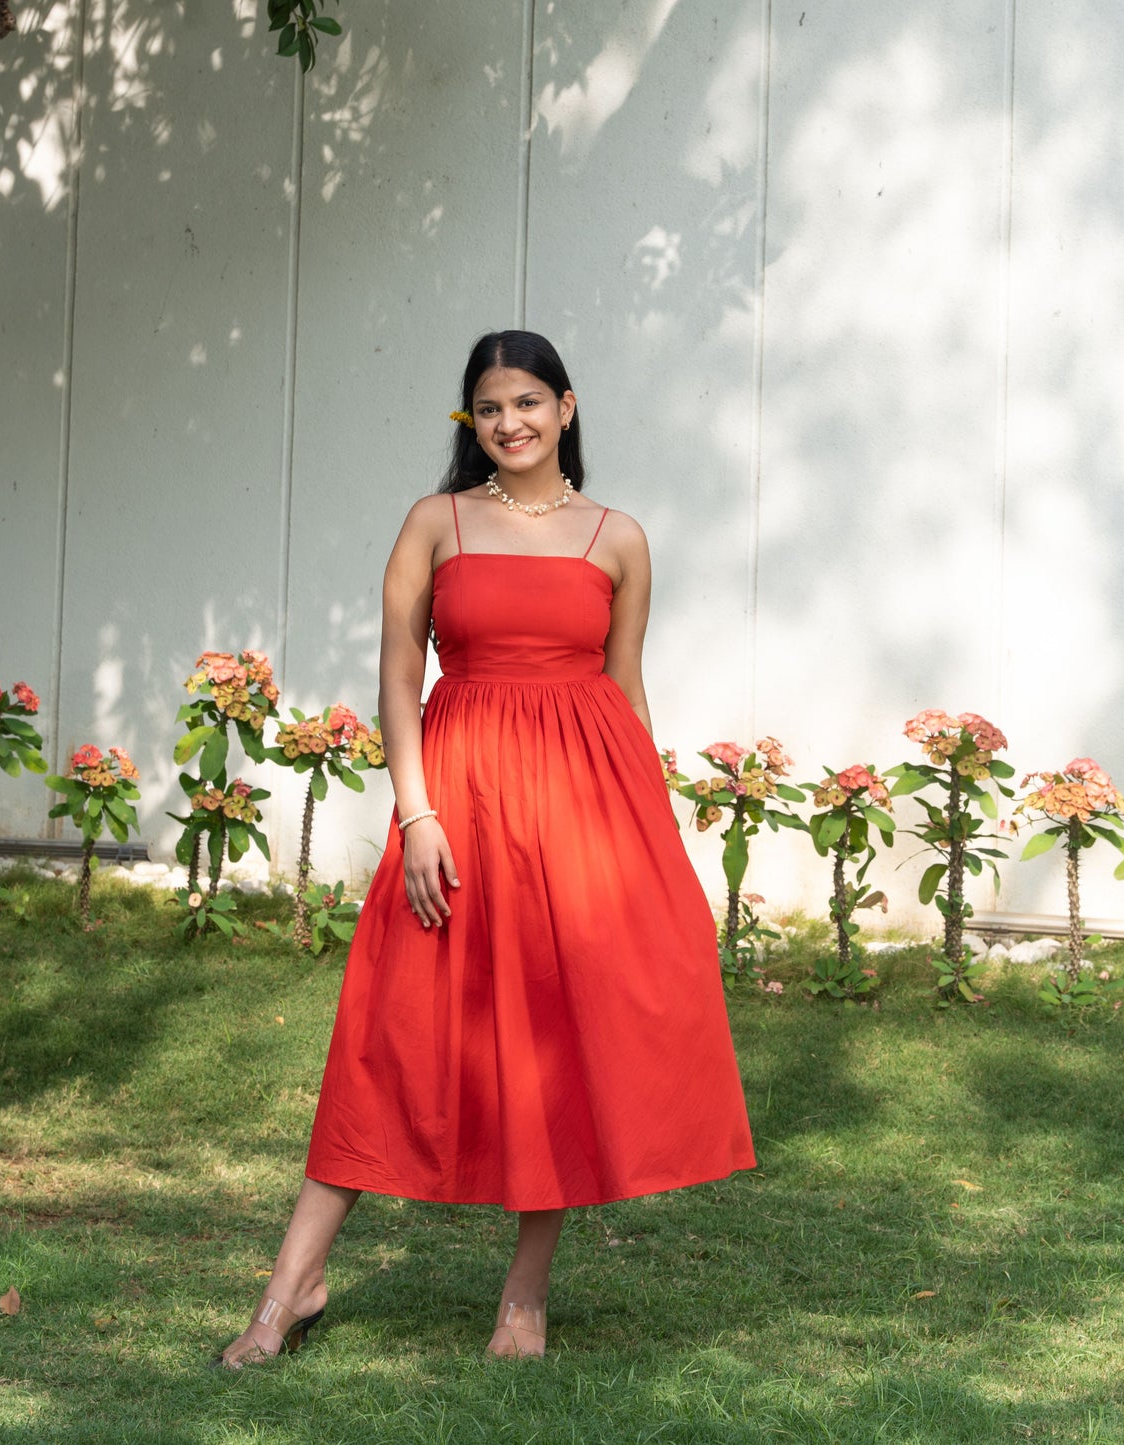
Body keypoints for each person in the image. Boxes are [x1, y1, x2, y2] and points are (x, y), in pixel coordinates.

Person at [217, 330, 755, 1367]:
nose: (508, 423)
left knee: (559, 1038)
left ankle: (522, 1301)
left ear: (564, 405)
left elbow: (622, 686)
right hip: (458, 805)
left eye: (525, 402)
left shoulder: (618, 538)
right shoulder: (436, 522)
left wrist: (651, 827)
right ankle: (291, 1287)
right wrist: (415, 814)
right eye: (487, 409)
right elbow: (395, 679)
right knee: (387, 1033)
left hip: (587, 810)